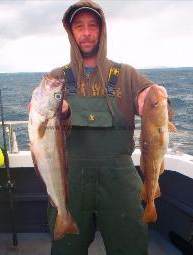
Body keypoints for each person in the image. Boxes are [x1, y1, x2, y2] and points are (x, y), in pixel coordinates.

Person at [47, 1, 168, 254]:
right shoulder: (56, 78)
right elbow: (42, 125)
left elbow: (161, 118)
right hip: (71, 180)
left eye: (93, 26)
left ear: (102, 30)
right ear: (71, 32)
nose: (87, 32)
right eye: (79, 26)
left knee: (131, 246)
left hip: (120, 179)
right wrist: (49, 112)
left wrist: (149, 100)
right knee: (65, 248)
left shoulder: (127, 75)